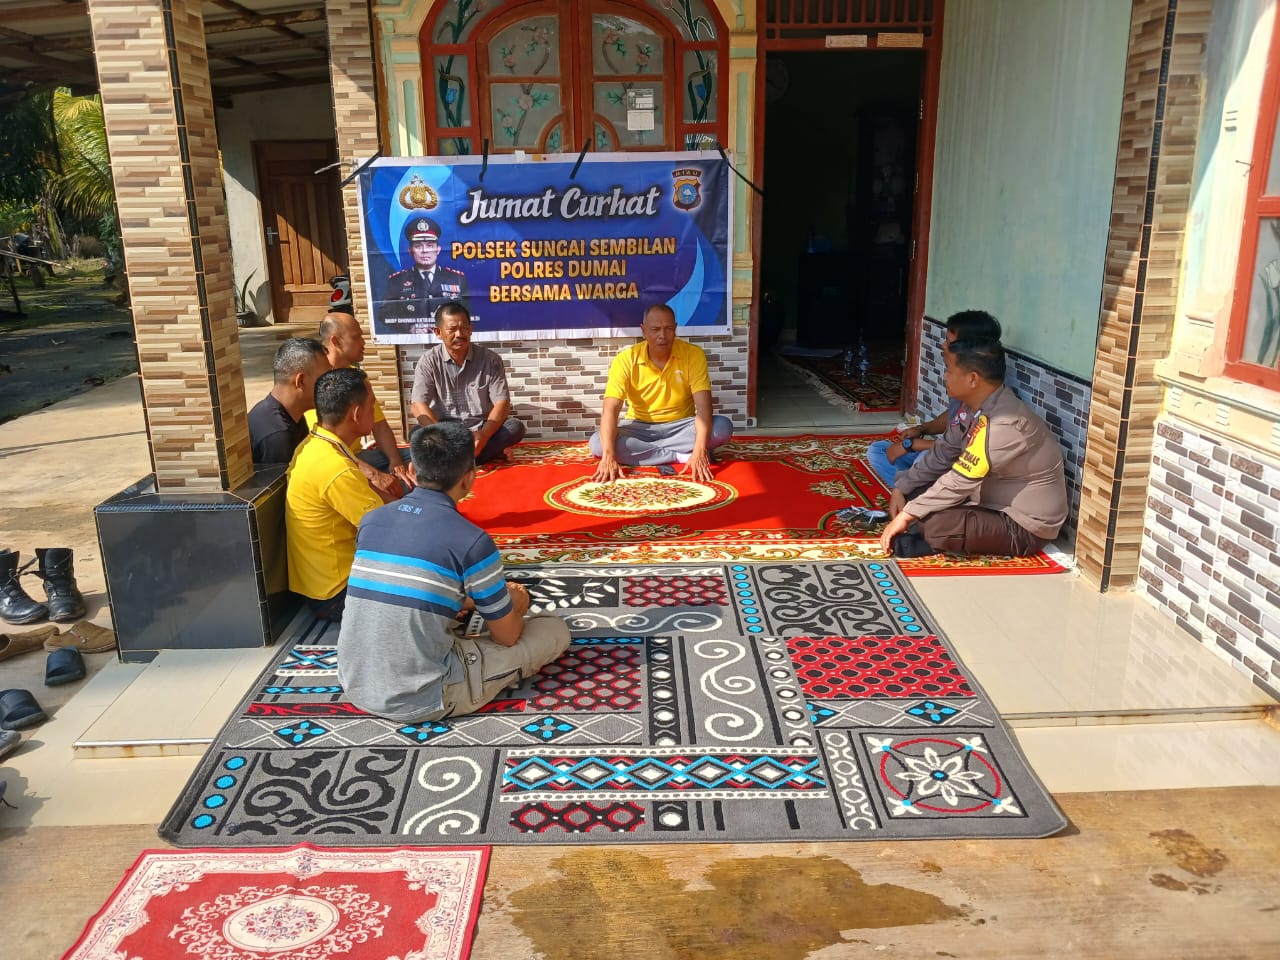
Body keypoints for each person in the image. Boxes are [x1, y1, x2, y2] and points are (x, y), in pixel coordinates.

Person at [337, 421, 572, 722]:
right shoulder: (471, 541)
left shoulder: (372, 521)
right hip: (425, 695)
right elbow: (508, 637)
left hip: (355, 683)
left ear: (411, 470)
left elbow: (406, 588)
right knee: (552, 629)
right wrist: (517, 603)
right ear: (469, 478)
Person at [878, 339, 1068, 558]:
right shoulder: (972, 407)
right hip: (984, 501)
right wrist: (902, 488)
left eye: (949, 370)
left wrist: (908, 515)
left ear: (973, 379)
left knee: (936, 523)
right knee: (913, 492)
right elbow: (944, 451)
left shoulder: (1004, 424)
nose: (945, 376)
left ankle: (925, 538)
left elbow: (960, 480)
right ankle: (921, 527)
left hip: (1023, 524)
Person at [589, 303, 734, 483]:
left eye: (668, 329)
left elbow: (704, 409)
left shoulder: (693, 355)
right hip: (641, 427)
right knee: (597, 444)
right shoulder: (626, 360)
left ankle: (649, 453)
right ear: (643, 330)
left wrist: (699, 450)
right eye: (655, 329)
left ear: (675, 329)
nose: (662, 336)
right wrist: (609, 456)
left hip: (682, 426)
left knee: (722, 428)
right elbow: (610, 409)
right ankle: (679, 456)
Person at [285, 368, 384, 619]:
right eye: (372, 404)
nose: (375, 410)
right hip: (337, 593)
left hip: (319, 585)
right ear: (357, 413)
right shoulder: (335, 468)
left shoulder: (312, 444)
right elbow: (389, 531)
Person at [865, 311, 1002, 487]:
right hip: (942, 449)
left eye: (950, 342)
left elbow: (965, 451)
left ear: (969, 348)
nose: (943, 345)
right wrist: (923, 428)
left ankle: (915, 492)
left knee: (923, 462)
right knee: (879, 451)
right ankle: (914, 488)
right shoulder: (962, 377)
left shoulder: (985, 395)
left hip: (957, 460)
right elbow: (954, 416)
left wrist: (912, 445)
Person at [410, 301, 526, 464]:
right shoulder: (428, 361)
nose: (459, 334)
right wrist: (443, 437)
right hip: (445, 430)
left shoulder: (490, 360)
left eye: (464, 328)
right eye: (452, 329)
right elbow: (418, 405)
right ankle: (482, 455)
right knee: (416, 434)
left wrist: (484, 436)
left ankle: (453, 460)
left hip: (481, 429)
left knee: (515, 427)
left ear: (470, 329)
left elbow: (502, 403)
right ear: (438, 332)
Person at [317, 310, 415, 500]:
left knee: (423, 456)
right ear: (335, 341)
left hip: (361, 457)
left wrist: (395, 462)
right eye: (357, 337)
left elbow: (379, 424)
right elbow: (328, 447)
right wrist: (373, 474)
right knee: (394, 488)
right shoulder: (321, 383)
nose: (363, 343)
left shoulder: (356, 377)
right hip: (339, 464)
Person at [247, 337, 330, 466]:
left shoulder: (291, 416)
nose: (330, 387)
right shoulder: (277, 435)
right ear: (300, 381)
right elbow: (284, 485)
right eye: (325, 380)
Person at [381, 214, 470, 319]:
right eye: (418, 246)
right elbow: (385, 313)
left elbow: (467, 311)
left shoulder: (456, 278)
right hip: (414, 335)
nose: (424, 251)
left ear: (438, 249)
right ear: (410, 250)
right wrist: (409, 327)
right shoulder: (397, 281)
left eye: (430, 246)